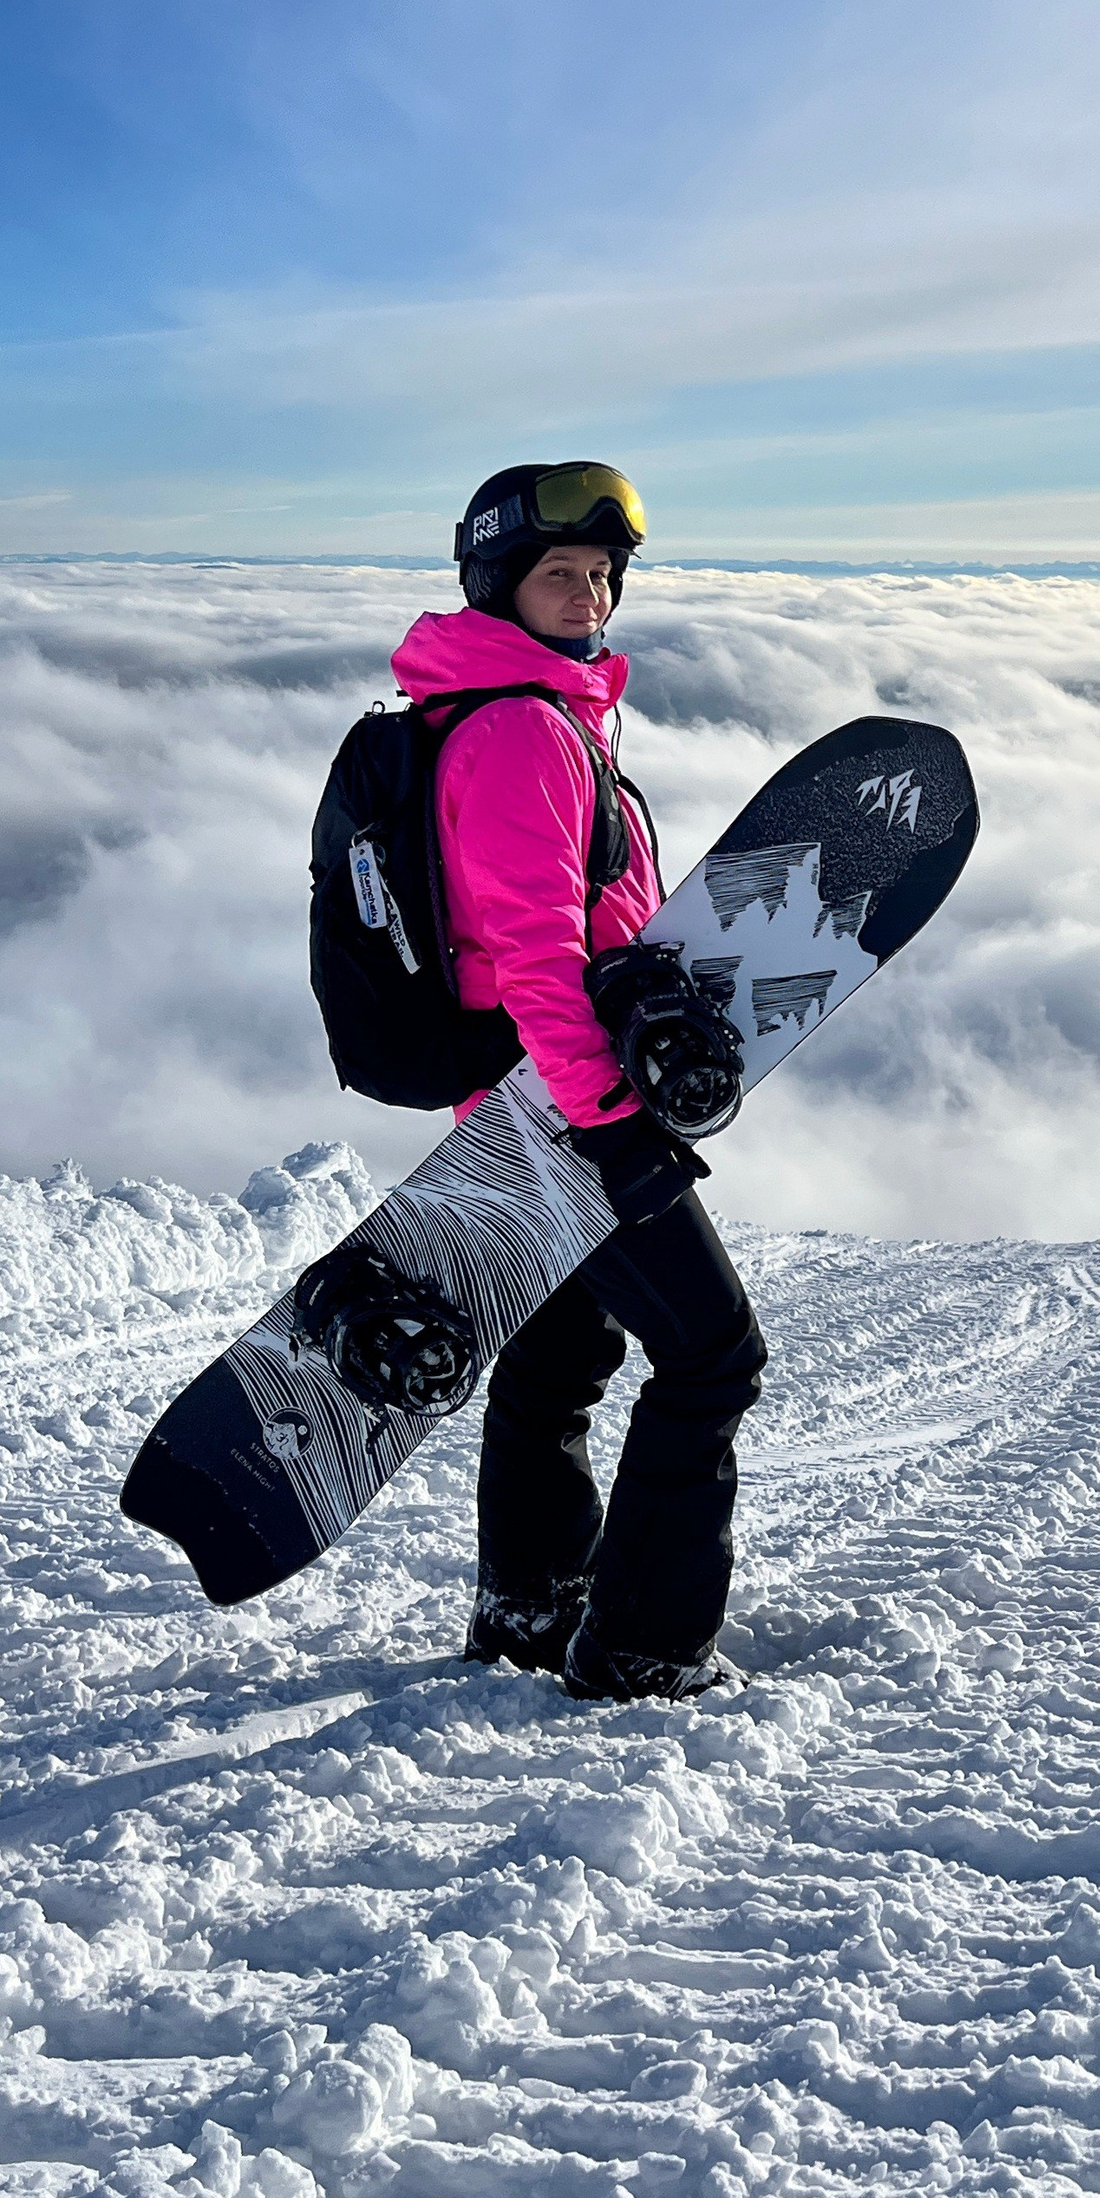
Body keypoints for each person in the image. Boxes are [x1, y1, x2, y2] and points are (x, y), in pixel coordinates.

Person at [389, 462, 765, 1702]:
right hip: (559, 1104)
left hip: (531, 1092)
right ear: (500, 582)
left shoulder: (535, 713)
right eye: (562, 573)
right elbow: (539, 952)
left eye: (603, 575)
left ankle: (530, 1602)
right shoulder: (515, 730)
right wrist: (610, 1124)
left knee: (560, 1353)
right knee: (711, 1354)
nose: (590, 593)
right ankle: (643, 1644)